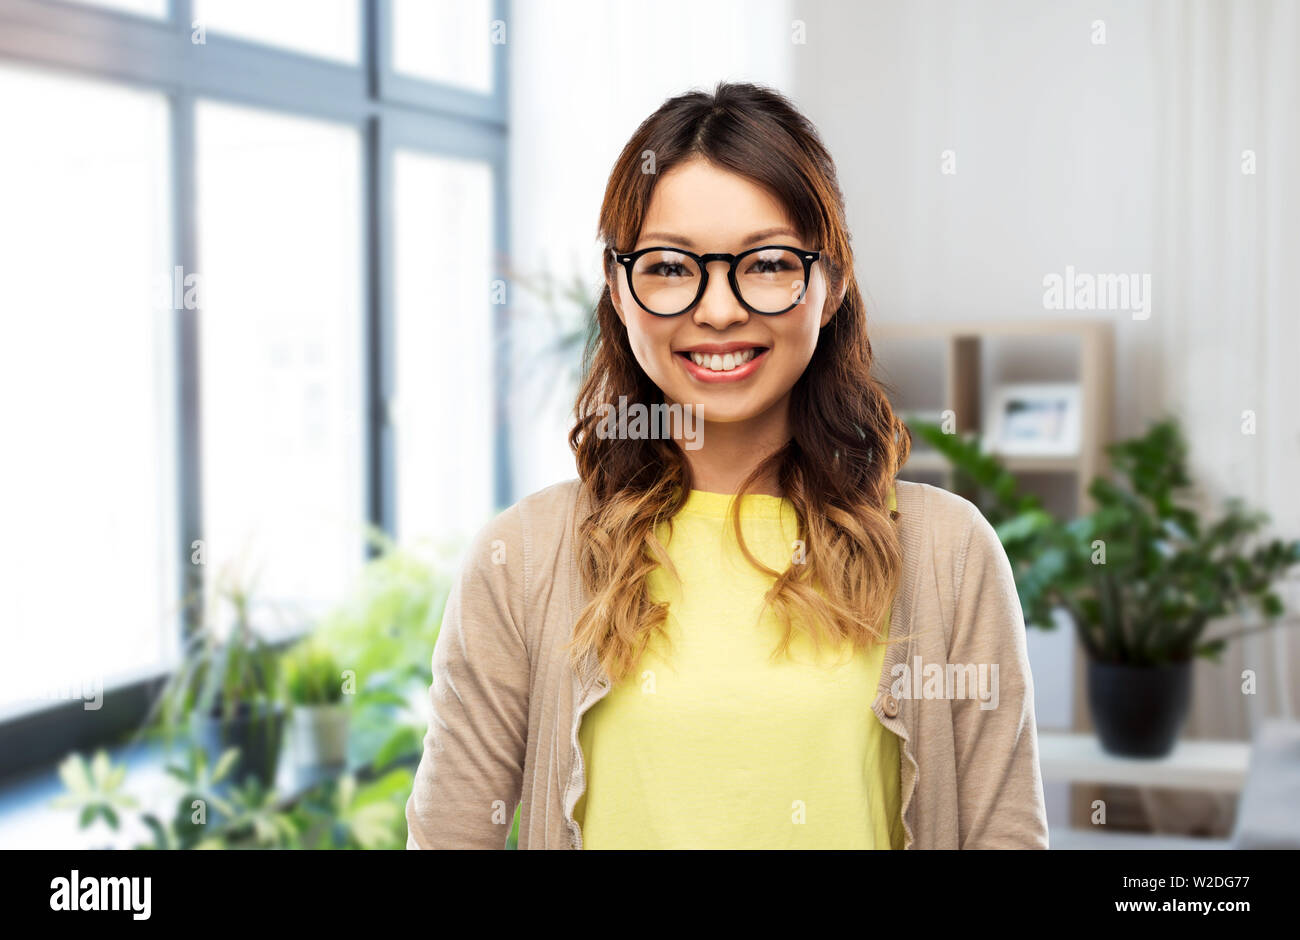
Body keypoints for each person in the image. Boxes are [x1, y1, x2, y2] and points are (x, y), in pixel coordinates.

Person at [406, 81, 1048, 849]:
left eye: (768, 263)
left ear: (832, 283)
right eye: (672, 267)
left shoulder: (948, 552)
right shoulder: (524, 558)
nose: (718, 310)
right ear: (617, 286)